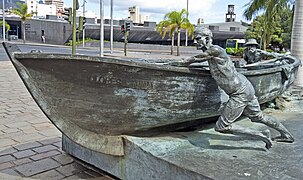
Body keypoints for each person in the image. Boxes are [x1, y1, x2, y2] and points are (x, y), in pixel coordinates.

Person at [171, 26, 294, 149]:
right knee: (258, 117)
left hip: (239, 93)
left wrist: (167, 63)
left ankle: (262, 134)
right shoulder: (212, 54)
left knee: (222, 126)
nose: (195, 42)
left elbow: (189, 61)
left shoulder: (214, 50)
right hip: (246, 87)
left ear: (207, 38)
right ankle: (287, 135)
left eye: (198, 38)